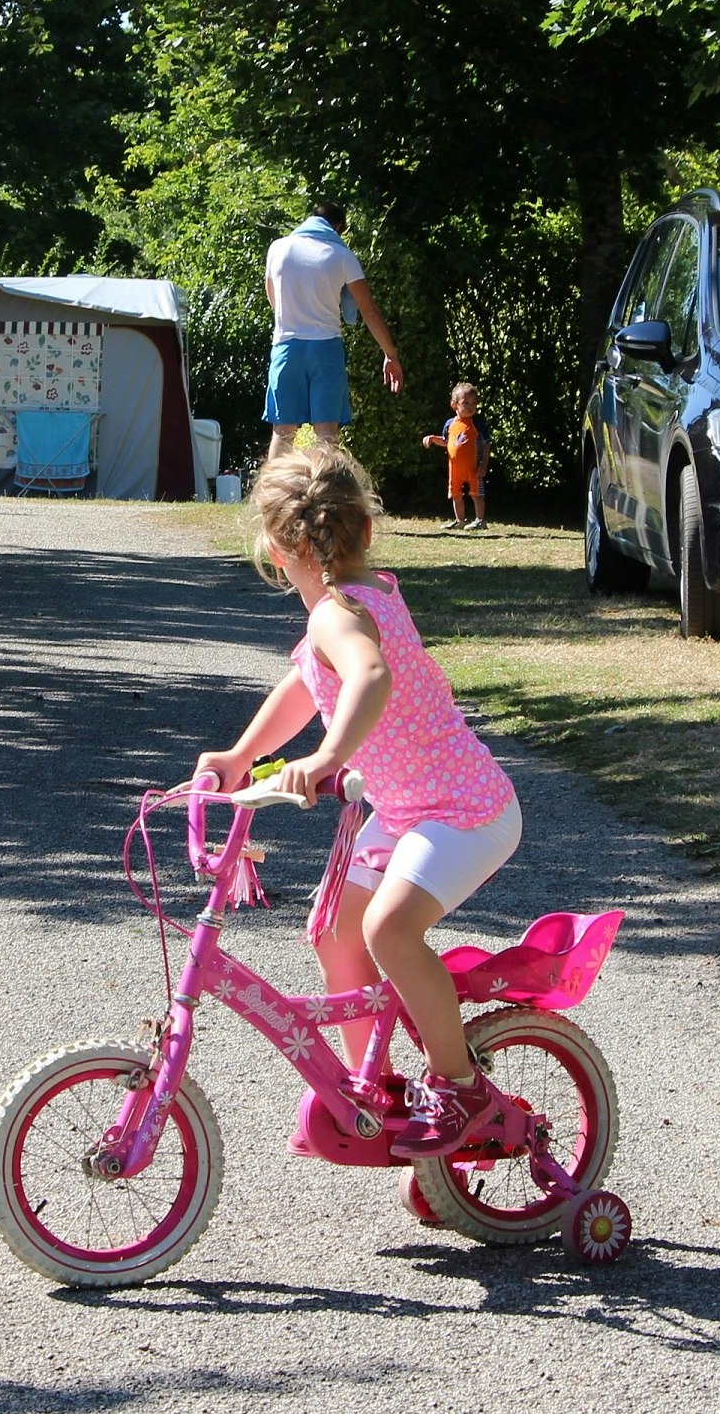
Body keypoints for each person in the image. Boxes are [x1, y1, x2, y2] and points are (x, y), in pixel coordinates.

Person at [195, 446, 523, 1158]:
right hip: (414, 810)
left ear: (280, 550)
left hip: (464, 811)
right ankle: (365, 1089)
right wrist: (241, 756)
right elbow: (310, 685)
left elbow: (368, 675)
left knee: (387, 930)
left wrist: (326, 758)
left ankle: (460, 1085)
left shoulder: (337, 617)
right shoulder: (357, 598)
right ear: (364, 531)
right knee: (335, 930)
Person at [263, 200, 404, 458]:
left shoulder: (278, 248)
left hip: (285, 347)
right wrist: (390, 355)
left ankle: (270, 498)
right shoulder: (342, 255)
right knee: (327, 432)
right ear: (337, 227)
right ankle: (327, 495)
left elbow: (273, 298)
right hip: (325, 348)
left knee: (283, 431)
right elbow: (369, 311)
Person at [422, 382, 487, 531]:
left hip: (474, 466)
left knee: (476, 493)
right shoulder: (450, 424)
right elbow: (446, 441)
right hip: (455, 468)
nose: (470, 407)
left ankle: (480, 520)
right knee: (456, 494)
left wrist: (483, 464)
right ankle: (460, 520)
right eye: (465, 403)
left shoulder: (477, 423)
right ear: (454, 405)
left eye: (474, 403)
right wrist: (432, 438)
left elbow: (486, 444)